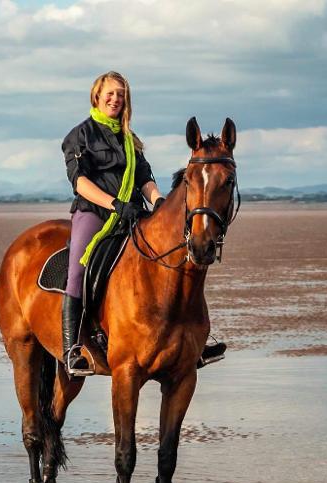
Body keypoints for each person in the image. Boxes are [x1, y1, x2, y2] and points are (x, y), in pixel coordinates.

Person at [61, 71, 225, 377]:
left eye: (121, 94)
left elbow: (145, 178)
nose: (115, 99)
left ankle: (192, 340)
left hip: (132, 213)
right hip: (94, 213)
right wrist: (113, 204)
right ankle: (72, 349)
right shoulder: (79, 135)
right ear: (96, 97)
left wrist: (159, 201)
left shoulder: (131, 140)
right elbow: (79, 182)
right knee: (78, 269)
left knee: (176, 258)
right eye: (110, 93)